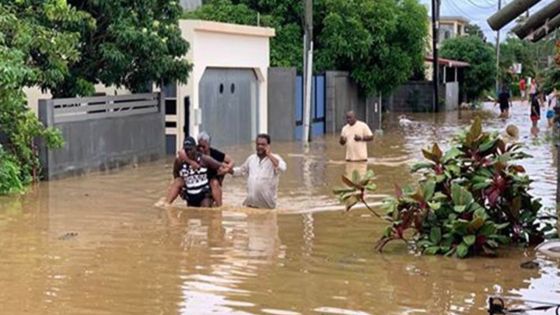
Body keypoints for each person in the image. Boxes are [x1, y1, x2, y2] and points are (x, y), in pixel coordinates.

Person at [162, 137, 224, 207]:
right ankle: (166, 205)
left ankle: (219, 208)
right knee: (178, 181)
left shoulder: (204, 159)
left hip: (203, 195)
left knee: (205, 209)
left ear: (195, 148)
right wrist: (181, 190)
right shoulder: (179, 161)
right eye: (186, 150)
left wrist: (219, 181)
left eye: (190, 149)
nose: (188, 152)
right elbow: (176, 174)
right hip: (190, 194)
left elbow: (221, 167)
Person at [229, 134, 287, 209]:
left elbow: (283, 168)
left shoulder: (274, 158)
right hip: (250, 205)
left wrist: (269, 155)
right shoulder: (251, 159)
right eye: (258, 144)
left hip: (268, 208)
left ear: (268, 146)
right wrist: (228, 170)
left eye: (263, 144)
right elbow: (240, 171)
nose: (260, 146)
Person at [187, 132, 234, 206]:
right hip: (199, 179)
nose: (201, 149)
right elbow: (181, 153)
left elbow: (231, 161)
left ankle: (219, 206)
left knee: (214, 183)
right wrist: (190, 162)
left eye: (204, 146)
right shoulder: (195, 151)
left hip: (212, 178)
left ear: (208, 145)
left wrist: (225, 170)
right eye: (199, 146)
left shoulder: (215, 154)